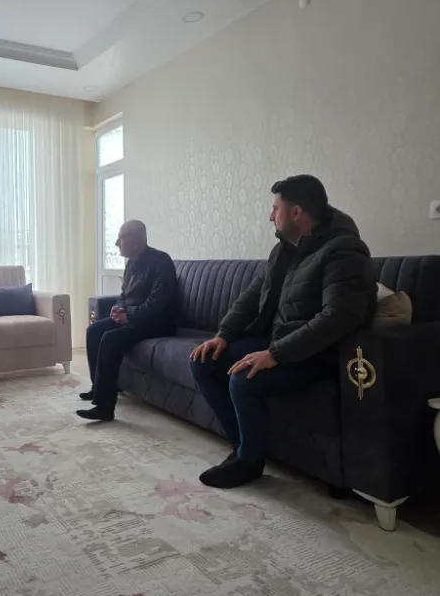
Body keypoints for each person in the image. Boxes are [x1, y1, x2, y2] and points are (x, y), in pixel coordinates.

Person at [190, 175, 375, 489]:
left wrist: (275, 354)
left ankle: (249, 462)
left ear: (296, 212)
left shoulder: (344, 250)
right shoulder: (285, 250)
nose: (270, 216)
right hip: (281, 340)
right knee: (203, 361)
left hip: (319, 353)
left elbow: (339, 316)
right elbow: (251, 297)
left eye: (275, 208)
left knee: (243, 378)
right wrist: (223, 334)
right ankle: (243, 448)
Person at [77, 220, 178, 422]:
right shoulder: (131, 263)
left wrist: (128, 315)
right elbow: (124, 294)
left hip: (157, 322)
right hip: (135, 318)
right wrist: (118, 307)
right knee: (93, 331)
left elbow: (157, 303)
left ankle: (105, 407)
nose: (117, 243)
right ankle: (98, 388)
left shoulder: (161, 261)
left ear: (136, 241)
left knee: (110, 339)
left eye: (120, 238)